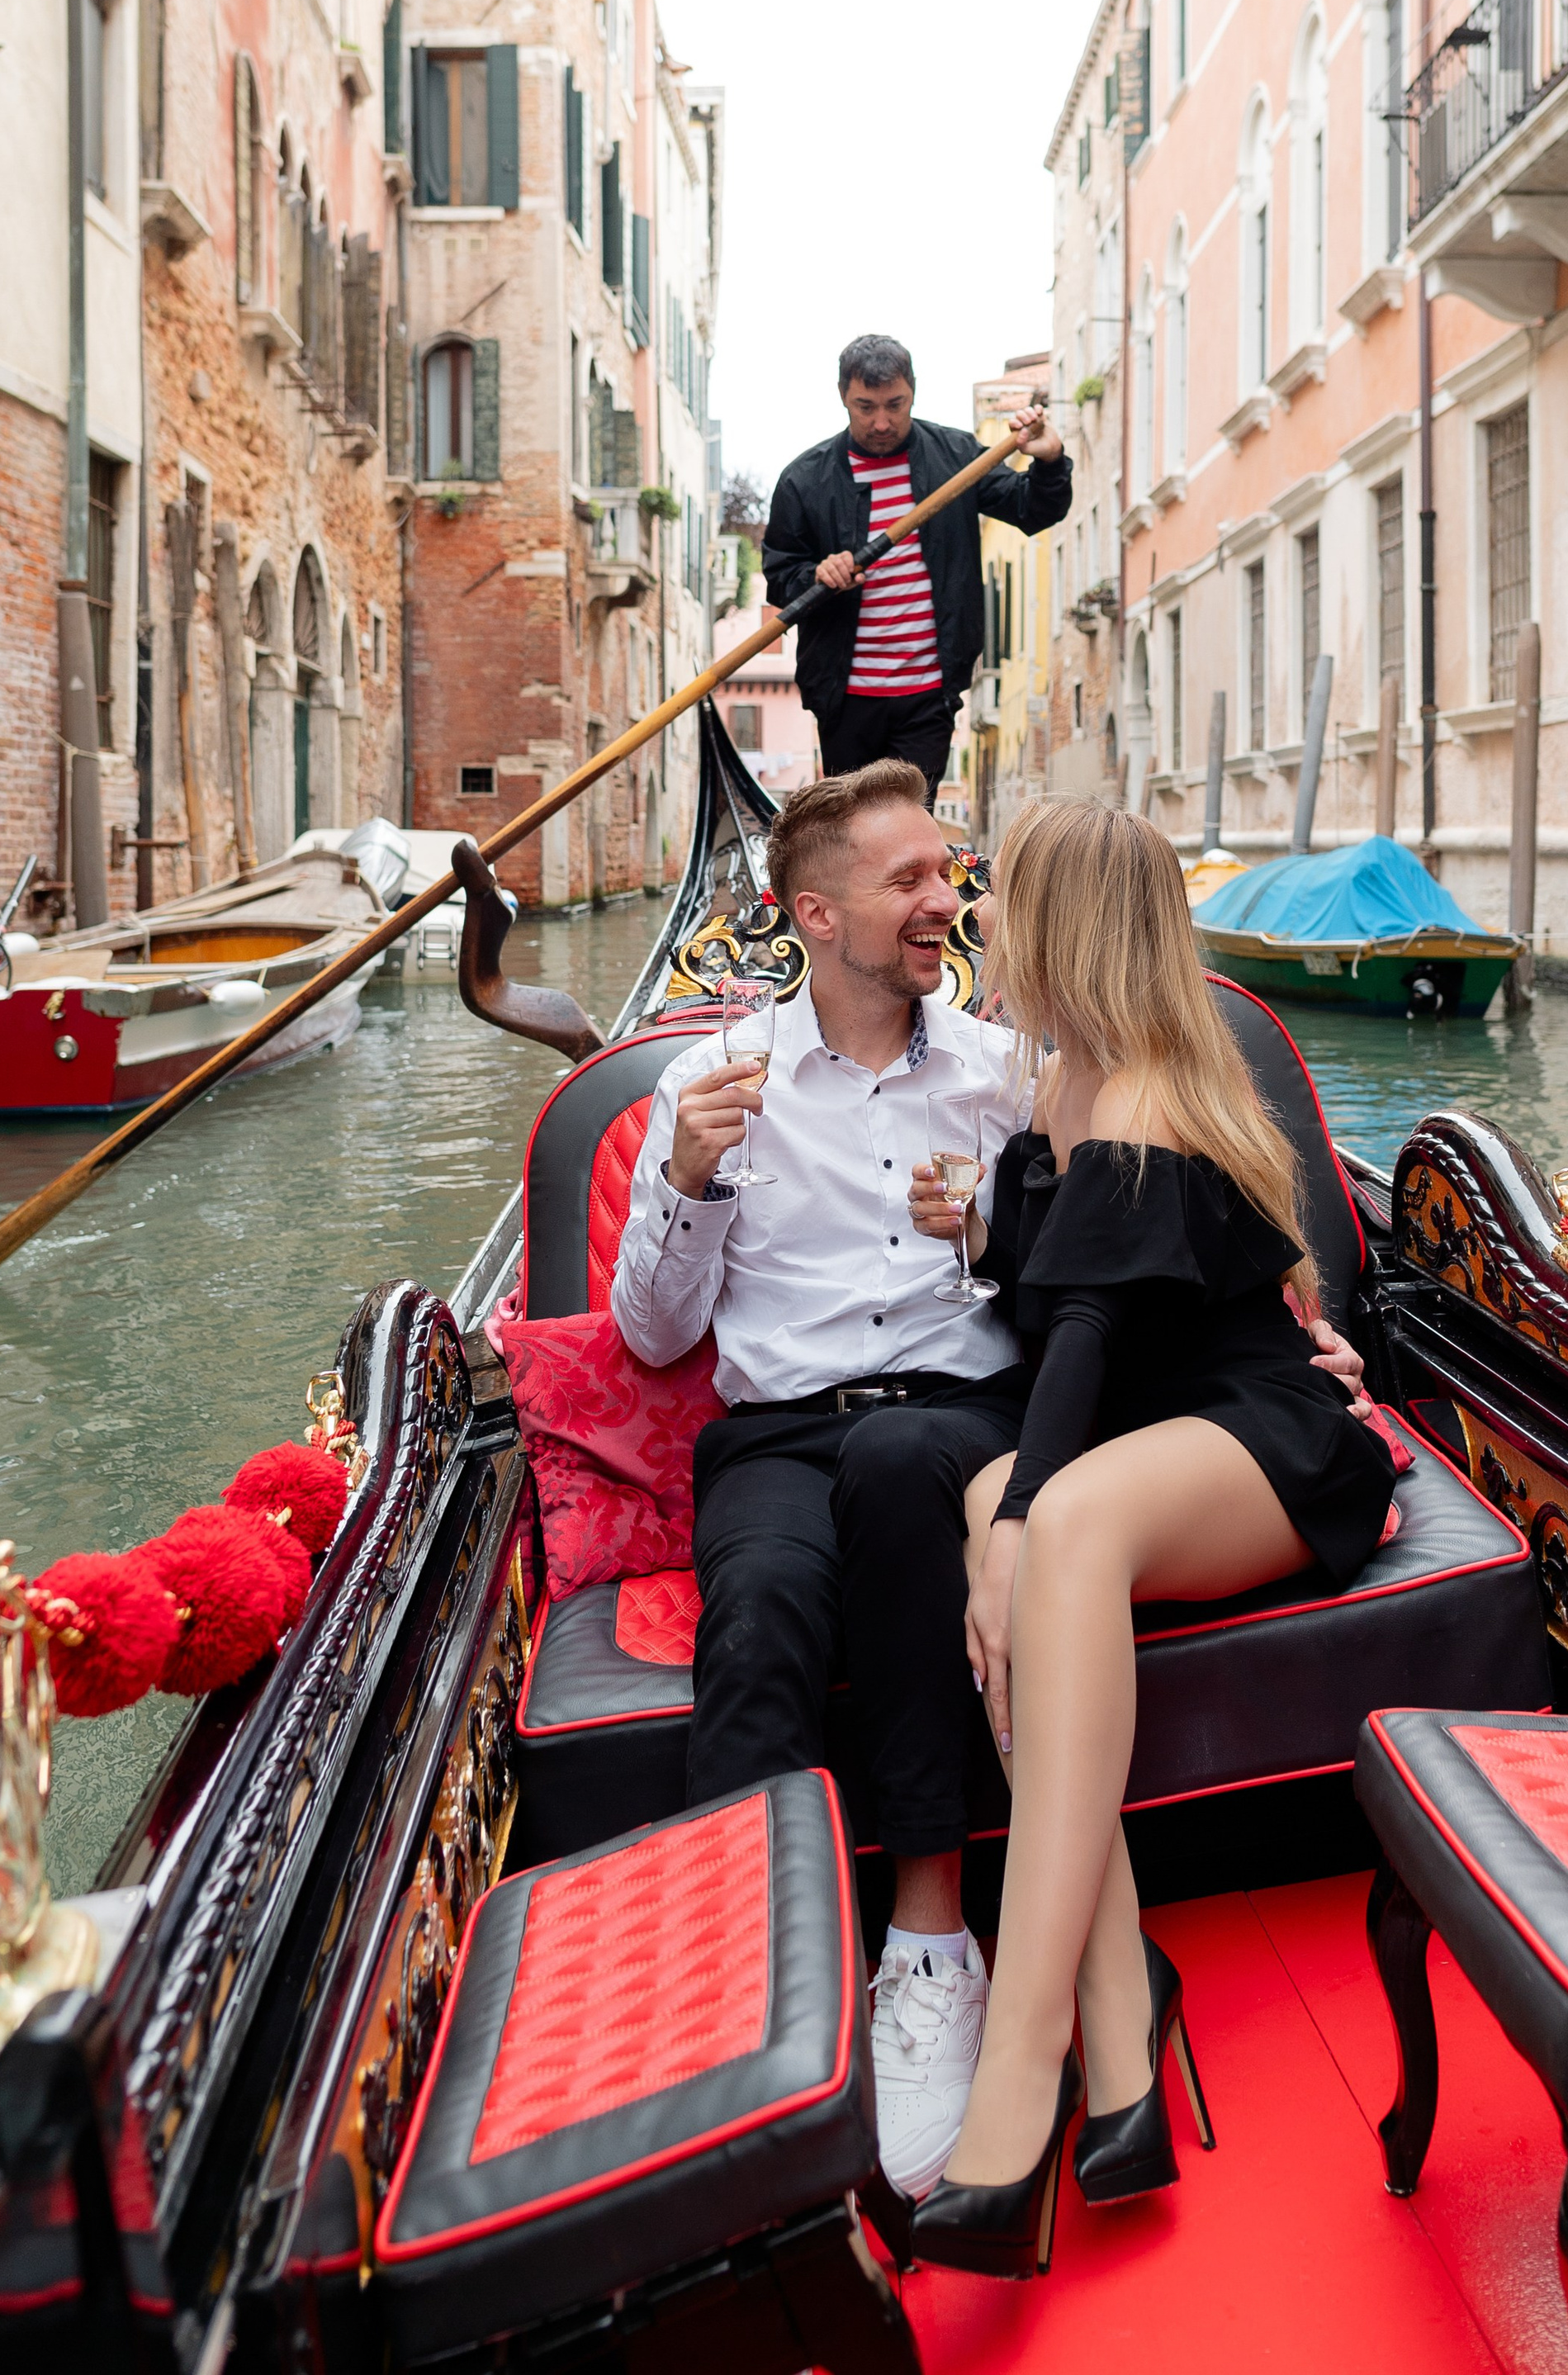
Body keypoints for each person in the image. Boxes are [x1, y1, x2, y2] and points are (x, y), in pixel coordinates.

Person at [904, 798, 1399, 2278]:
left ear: (1060, 925)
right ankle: (1125, 2010)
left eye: (1000, 898)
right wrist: (987, 1237)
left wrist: (1019, 1528)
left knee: (1051, 1519)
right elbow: (1072, 1299)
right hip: (1161, 1435)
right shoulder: (1070, 1081)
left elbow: (1084, 1353)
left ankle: (1029, 2053)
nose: (980, 917)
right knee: (1001, 1499)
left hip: (1273, 1443)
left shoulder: (1143, 1100)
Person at [609, 758, 1031, 2205]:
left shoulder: (1001, 1073)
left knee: (911, 1463)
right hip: (780, 1429)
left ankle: (929, 1940)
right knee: (768, 1595)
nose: (944, 897)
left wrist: (993, 1233)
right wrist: (692, 1180)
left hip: (955, 1415)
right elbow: (654, 1334)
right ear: (817, 911)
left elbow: (1064, 1300)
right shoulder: (712, 1079)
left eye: (948, 870)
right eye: (910, 878)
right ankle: (747, 1975)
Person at [762, 334, 1072, 801]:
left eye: (895, 404)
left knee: (912, 823)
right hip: (844, 697)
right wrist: (818, 576)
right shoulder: (804, 480)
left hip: (929, 693)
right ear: (843, 397)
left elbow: (1033, 511)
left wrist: (1049, 459)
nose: (881, 422)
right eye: (865, 407)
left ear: (913, 392)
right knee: (854, 830)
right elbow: (781, 580)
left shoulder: (957, 457)